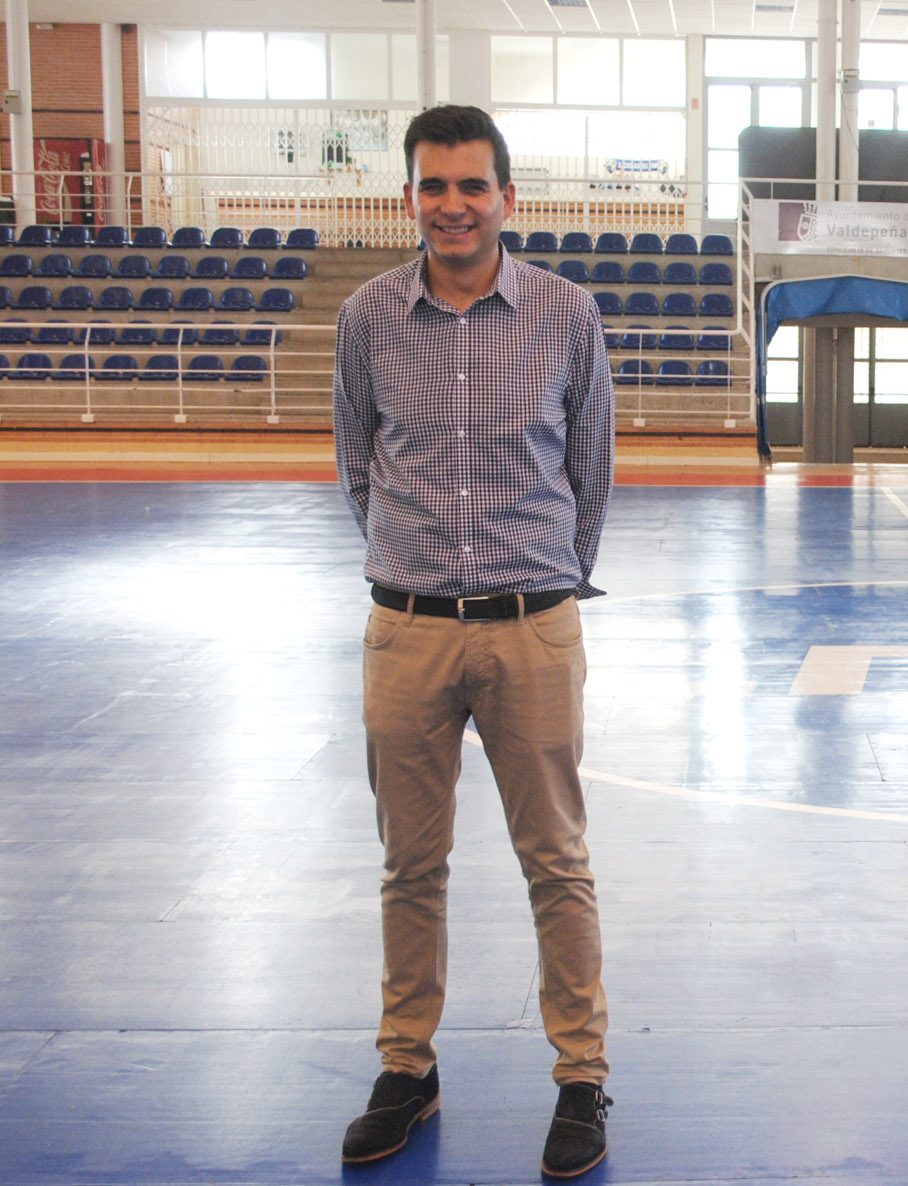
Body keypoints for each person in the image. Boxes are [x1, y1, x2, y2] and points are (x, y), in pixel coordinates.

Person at [331, 103, 615, 1179]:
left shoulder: (566, 313)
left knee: (557, 861)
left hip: (531, 627)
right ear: (410, 195)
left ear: (507, 196)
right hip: (406, 630)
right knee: (410, 864)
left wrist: (543, 580)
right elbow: (356, 463)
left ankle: (580, 1074)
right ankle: (407, 1065)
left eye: (471, 185)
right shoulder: (366, 316)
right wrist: (413, 569)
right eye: (433, 186)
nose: (453, 205)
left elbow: (591, 468)